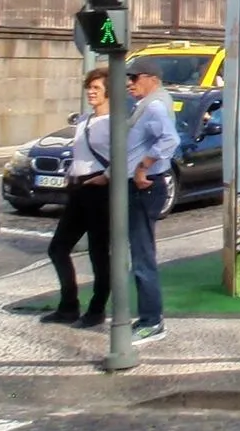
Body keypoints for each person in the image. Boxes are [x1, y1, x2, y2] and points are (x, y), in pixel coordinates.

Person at [42, 69, 112, 328]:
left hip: (100, 190)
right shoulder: (84, 120)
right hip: (78, 188)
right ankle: (68, 305)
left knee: (98, 252)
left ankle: (97, 308)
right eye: (89, 88)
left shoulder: (115, 122)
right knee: (58, 248)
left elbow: (125, 156)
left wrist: (106, 176)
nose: (91, 92)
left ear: (108, 91)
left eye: (96, 87)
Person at [123, 60, 181, 345]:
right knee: (139, 252)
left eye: (134, 78)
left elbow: (169, 140)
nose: (129, 83)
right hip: (137, 186)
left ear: (151, 78)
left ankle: (152, 321)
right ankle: (146, 316)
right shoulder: (150, 103)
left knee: (143, 254)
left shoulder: (155, 106)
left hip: (144, 188)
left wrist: (143, 167)